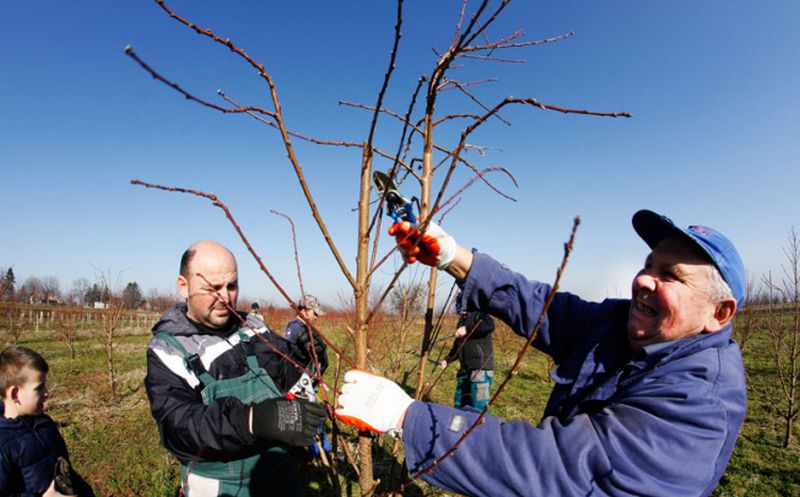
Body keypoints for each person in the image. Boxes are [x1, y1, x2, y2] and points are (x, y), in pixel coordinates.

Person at [336, 210, 747, 497]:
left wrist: (408, 418)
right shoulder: (622, 328)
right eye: (649, 265)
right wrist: (455, 258)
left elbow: (562, 467)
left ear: (719, 313)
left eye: (671, 276)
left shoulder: (698, 402)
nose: (643, 280)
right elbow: (541, 307)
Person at [144, 240, 326, 497]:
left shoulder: (253, 327)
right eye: (212, 287)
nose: (225, 297)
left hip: (278, 473)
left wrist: (307, 356)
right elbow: (179, 428)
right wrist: (251, 420)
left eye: (232, 286)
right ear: (183, 287)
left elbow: (291, 380)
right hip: (218, 485)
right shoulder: (168, 350)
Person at [1, 346, 94, 497]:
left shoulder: (43, 422)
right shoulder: (3, 445)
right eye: (39, 388)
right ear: (15, 394)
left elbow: (64, 467)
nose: (47, 392)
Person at [439, 311, 495, 411]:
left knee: (478, 409)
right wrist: (446, 360)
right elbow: (457, 348)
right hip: (464, 372)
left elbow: (490, 325)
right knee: (459, 406)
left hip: (480, 371)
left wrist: (467, 329)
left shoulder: (480, 315)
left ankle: (480, 427)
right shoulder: (461, 322)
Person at [284, 295, 328, 375]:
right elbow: (287, 350)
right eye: (314, 313)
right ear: (304, 310)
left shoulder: (300, 326)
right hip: (296, 376)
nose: (316, 317)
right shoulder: (296, 327)